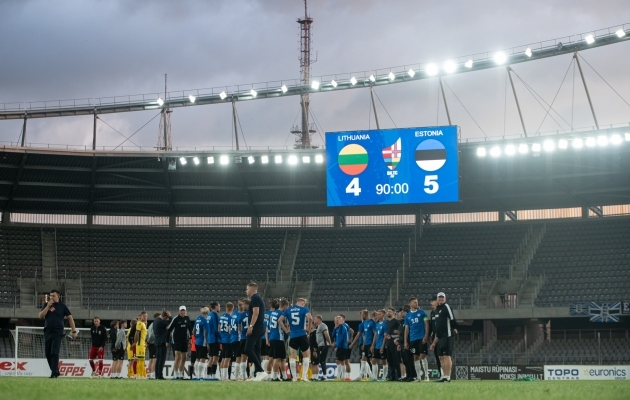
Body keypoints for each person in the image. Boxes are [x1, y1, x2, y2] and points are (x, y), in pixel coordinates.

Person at [38, 289, 77, 378]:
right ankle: (55, 371)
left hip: (58, 332)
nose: (51, 297)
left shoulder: (62, 306)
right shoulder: (46, 305)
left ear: (58, 297)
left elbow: (70, 318)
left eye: (53, 296)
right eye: (50, 296)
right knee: (47, 353)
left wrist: (73, 331)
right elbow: (40, 316)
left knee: (54, 352)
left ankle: (54, 373)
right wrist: (48, 306)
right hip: (47, 332)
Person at [279, 297, 312, 382]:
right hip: (302, 335)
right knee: (306, 356)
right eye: (303, 303)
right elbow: (310, 318)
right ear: (301, 302)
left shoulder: (288, 310)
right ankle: (304, 377)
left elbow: (279, 320)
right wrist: (308, 329)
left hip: (292, 336)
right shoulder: (304, 309)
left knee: (292, 357)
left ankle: (294, 377)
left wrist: (286, 330)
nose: (304, 304)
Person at [430, 292, 458, 383]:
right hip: (439, 337)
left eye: (442, 297)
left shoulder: (446, 307)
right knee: (441, 357)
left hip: (447, 335)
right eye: (439, 297)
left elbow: (452, 318)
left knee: (447, 356)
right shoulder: (437, 310)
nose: (441, 299)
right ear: (437, 299)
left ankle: (448, 376)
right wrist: (434, 342)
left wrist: (455, 327)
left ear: (445, 299)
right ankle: (443, 376)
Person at [245, 282, 267, 381]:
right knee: (257, 350)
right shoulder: (258, 298)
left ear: (252, 290)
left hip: (256, 327)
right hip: (260, 327)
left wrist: (251, 326)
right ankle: (258, 373)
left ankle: (261, 371)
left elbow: (256, 313)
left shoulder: (255, 298)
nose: (246, 291)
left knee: (248, 349)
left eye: (247, 289)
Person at [404, 297, 430, 382]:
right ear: (410, 304)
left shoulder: (422, 313)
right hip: (412, 339)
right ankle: (418, 377)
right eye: (415, 302)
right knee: (415, 357)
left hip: (421, 337)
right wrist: (405, 341)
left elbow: (427, 324)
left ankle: (426, 376)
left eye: (417, 302)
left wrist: (426, 336)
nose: (417, 303)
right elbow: (407, 329)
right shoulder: (407, 316)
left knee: (422, 355)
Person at [168, 305, 192, 380]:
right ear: (179, 311)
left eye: (183, 310)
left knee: (184, 358)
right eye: (181, 310)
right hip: (177, 340)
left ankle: (181, 374)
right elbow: (169, 329)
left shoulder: (187, 318)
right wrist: (167, 340)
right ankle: (175, 374)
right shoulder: (175, 319)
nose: (182, 312)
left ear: (185, 311)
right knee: (177, 357)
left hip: (185, 340)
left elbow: (190, 328)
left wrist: (190, 338)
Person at [268, 299, 288, 381]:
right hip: (278, 338)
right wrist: (286, 330)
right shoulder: (281, 314)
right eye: (287, 307)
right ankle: (275, 376)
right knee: (277, 358)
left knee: (283, 358)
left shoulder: (273, 313)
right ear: (284, 306)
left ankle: (284, 376)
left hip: (272, 337)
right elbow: (281, 322)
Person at [193, 307, 210, 380]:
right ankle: (200, 376)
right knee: (202, 359)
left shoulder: (198, 319)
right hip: (203, 341)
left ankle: (196, 375)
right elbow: (206, 332)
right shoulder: (205, 321)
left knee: (197, 358)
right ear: (207, 313)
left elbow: (193, 331)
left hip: (197, 341)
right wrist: (208, 343)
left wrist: (196, 337)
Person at [370, 309, 387, 381]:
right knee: (373, 360)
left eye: (379, 314)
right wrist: (372, 345)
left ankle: (384, 377)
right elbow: (375, 335)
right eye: (377, 314)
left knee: (384, 361)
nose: (378, 315)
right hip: (376, 345)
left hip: (382, 345)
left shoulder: (385, 323)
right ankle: (374, 377)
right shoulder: (376, 324)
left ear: (383, 315)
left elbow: (385, 336)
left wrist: (383, 346)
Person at [331, 316, 350, 381]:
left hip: (342, 347)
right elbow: (333, 335)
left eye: (337, 321)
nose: (336, 322)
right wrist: (334, 328)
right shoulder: (337, 328)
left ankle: (341, 376)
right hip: (340, 346)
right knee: (339, 361)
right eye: (335, 321)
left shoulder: (342, 328)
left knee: (341, 361)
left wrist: (337, 346)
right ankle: (340, 376)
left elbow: (341, 338)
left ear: (341, 321)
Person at [384, 308, 401, 381]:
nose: (388, 313)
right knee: (390, 361)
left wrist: (396, 335)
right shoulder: (387, 322)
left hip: (395, 344)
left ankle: (399, 376)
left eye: (390, 312)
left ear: (394, 313)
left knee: (396, 360)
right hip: (388, 343)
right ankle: (393, 376)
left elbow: (400, 332)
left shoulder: (396, 322)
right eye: (387, 311)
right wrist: (386, 336)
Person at [153, 311, 171, 380]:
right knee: (161, 359)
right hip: (162, 342)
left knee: (158, 360)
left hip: (157, 342)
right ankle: (160, 375)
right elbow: (170, 324)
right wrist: (170, 317)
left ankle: (157, 374)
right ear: (165, 316)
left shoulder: (155, 321)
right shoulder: (162, 322)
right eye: (167, 318)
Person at [218, 302, 233, 381]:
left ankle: (222, 377)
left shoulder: (221, 317)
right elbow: (230, 330)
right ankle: (225, 377)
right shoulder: (231, 318)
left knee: (223, 359)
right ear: (232, 309)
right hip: (228, 340)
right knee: (227, 359)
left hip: (222, 340)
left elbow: (219, 329)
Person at [314, 315, 331, 381]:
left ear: (318, 319)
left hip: (323, 345)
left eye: (315, 319)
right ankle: (324, 376)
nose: (314, 320)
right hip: (320, 346)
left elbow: (326, 334)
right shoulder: (319, 326)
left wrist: (329, 343)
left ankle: (325, 376)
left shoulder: (322, 325)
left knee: (322, 360)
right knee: (321, 361)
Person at [207, 302, 221, 380]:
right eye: (219, 306)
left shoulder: (209, 315)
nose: (219, 308)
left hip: (210, 339)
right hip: (215, 339)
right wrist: (221, 338)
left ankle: (208, 375)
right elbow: (216, 329)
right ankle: (213, 375)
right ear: (216, 307)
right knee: (215, 358)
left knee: (211, 358)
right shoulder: (215, 315)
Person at [429, 296, 441, 379]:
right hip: (434, 336)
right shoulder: (432, 313)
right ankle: (441, 374)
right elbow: (431, 325)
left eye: (433, 305)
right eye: (431, 305)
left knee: (442, 356)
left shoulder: (441, 312)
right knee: (437, 356)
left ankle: (446, 374)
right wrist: (430, 335)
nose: (432, 307)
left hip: (441, 336)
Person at [237, 299, 250, 380]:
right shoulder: (253, 314)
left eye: (244, 305)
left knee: (243, 357)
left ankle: (243, 375)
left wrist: (242, 332)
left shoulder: (241, 315)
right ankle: (251, 375)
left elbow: (239, 327)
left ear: (248, 305)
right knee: (251, 357)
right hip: (251, 338)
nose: (242, 306)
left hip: (243, 337)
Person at [134, 311, 148, 379]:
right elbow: (137, 333)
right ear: (141, 316)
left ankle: (142, 375)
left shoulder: (143, 324)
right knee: (140, 360)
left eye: (146, 316)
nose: (145, 317)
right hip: (139, 344)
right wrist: (135, 342)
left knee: (142, 360)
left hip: (142, 344)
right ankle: (139, 375)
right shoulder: (139, 323)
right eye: (144, 316)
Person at [146, 312, 160, 379]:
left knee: (151, 359)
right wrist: (149, 341)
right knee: (154, 360)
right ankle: (152, 374)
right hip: (154, 343)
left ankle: (149, 374)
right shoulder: (155, 324)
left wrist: (148, 341)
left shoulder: (151, 324)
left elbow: (148, 334)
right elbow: (152, 335)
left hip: (150, 343)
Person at [231, 301, 242, 380]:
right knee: (239, 357)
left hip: (232, 338)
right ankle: (237, 376)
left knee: (238, 357)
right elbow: (239, 328)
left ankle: (237, 376)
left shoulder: (234, 314)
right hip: (238, 338)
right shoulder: (239, 315)